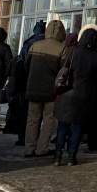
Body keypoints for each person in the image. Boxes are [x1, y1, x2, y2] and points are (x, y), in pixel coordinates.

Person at [53, 26, 97, 166]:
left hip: (67, 93)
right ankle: (71, 157)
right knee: (77, 128)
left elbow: (64, 69)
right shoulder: (95, 56)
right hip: (84, 95)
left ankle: (57, 156)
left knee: (62, 126)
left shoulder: (73, 51)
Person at [24, 20, 67, 157]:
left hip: (33, 87)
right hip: (51, 91)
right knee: (49, 120)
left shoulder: (35, 45)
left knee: (32, 119)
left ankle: (29, 148)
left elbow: (26, 65)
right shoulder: (62, 48)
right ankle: (42, 148)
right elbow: (63, 70)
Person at [10, 20, 46, 146]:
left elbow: (21, 64)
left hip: (25, 83)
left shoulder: (28, 43)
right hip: (41, 83)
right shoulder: (47, 44)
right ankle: (34, 138)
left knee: (26, 113)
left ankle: (23, 138)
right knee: (38, 114)